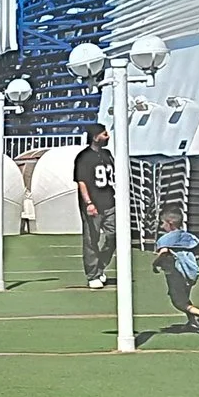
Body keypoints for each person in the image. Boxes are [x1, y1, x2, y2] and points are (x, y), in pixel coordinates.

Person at [151, 205, 199, 334]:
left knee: (178, 301)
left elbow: (164, 252)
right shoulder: (188, 236)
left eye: (162, 223)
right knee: (184, 297)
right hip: (191, 272)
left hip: (176, 273)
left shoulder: (166, 239)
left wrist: (155, 264)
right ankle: (192, 322)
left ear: (170, 224)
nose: (161, 226)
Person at [74, 124, 117, 289]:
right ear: (95, 137)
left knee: (114, 235)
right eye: (104, 134)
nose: (108, 137)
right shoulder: (84, 157)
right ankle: (93, 274)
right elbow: (82, 182)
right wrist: (89, 203)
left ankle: (100, 266)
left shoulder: (107, 154)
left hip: (110, 202)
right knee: (92, 239)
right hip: (93, 204)